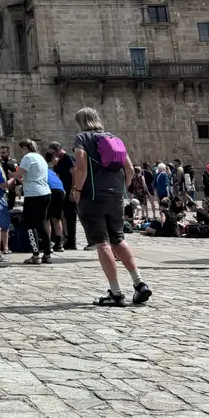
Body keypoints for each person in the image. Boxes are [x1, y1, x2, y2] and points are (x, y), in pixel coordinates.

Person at [71, 106, 152, 307]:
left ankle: (116, 292)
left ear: (80, 122)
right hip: (115, 196)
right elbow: (130, 169)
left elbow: (81, 167)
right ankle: (139, 282)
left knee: (102, 243)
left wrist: (77, 190)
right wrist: (122, 188)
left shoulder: (82, 139)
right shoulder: (114, 138)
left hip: (93, 196)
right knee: (118, 239)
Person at [12, 139, 52, 264]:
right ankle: (47, 254)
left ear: (25, 147)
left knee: (29, 224)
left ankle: (36, 254)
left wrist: (10, 173)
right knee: (42, 223)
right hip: (45, 192)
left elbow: (19, 173)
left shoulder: (28, 157)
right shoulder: (40, 157)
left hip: (33, 194)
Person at [48, 141, 77, 249]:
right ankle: (65, 239)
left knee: (71, 216)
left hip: (69, 189)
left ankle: (71, 241)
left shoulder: (68, 158)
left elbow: (74, 174)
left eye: (53, 153)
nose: (53, 155)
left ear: (58, 150)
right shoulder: (59, 161)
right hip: (62, 191)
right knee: (63, 215)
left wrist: (73, 190)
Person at [45, 150, 66, 252]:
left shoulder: (43, 169)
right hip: (60, 192)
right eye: (56, 157)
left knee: (47, 218)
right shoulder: (52, 171)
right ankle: (58, 244)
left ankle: (48, 244)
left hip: (51, 190)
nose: (58, 159)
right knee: (57, 219)